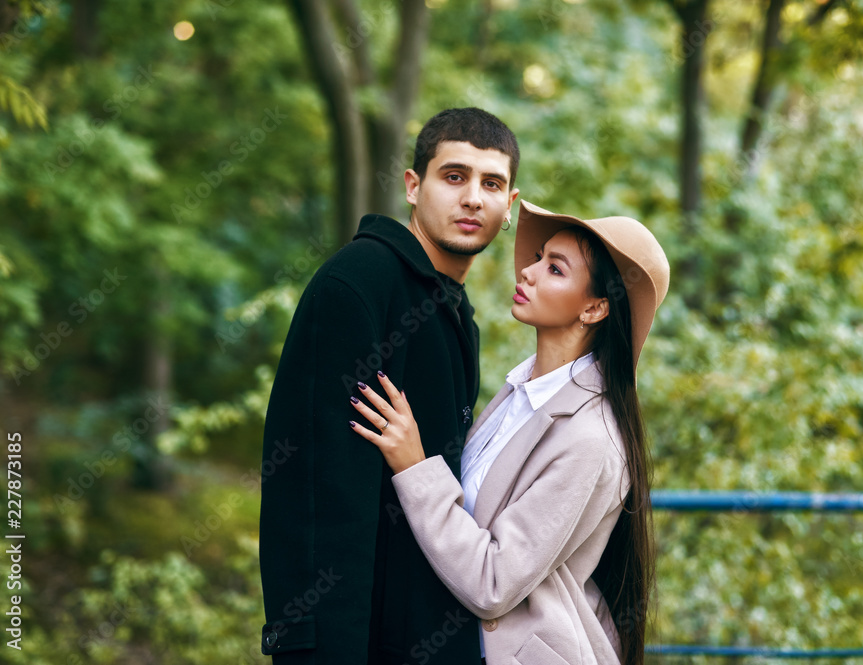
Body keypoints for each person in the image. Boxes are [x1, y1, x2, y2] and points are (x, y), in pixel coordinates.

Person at [347, 199, 670, 665]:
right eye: (538, 257)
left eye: (555, 269)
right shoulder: (521, 393)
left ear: (596, 308)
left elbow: (493, 582)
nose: (529, 272)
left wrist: (415, 467)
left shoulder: (591, 438)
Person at [258, 107, 520, 665]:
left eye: (491, 183)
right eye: (454, 176)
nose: (473, 197)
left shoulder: (454, 313)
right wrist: (312, 647)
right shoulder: (359, 285)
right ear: (412, 186)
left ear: (510, 207)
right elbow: (317, 489)